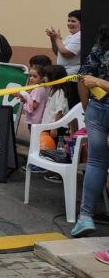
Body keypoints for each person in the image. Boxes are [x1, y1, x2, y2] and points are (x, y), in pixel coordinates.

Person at [78, 26, 109, 264]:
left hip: (98, 109)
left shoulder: (99, 48)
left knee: (97, 163)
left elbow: (83, 78)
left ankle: (85, 216)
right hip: (98, 110)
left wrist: (87, 107)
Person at [14, 64, 50, 174]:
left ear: (42, 78)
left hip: (36, 120)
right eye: (30, 76)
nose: (31, 78)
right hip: (33, 120)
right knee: (34, 141)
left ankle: (38, 164)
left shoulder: (39, 90)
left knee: (36, 142)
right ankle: (36, 162)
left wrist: (25, 96)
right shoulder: (35, 88)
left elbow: (34, 106)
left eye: (35, 76)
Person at [47, 10, 82, 108]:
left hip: (71, 78)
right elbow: (58, 53)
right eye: (69, 21)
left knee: (72, 106)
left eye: (73, 21)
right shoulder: (71, 36)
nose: (69, 23)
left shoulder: (80, 36)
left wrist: (57, 39)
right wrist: (53, 40)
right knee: (63, 106)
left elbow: (66, 53)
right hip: (63, 76)